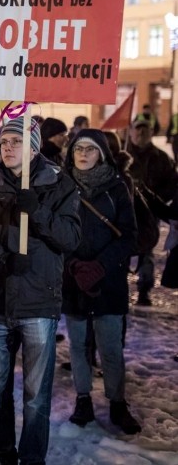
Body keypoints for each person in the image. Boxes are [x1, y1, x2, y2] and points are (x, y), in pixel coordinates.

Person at [0, 117, 81, 465]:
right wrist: (1, 258)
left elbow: (71, 238)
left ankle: (32, 459)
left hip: (38, 303)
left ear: (33, 146)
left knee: (35, 396)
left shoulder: (60, 185)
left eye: (16, 142)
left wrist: (40, 212)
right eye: (4, 142)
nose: (8, 148)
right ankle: (1, 456)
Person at [62, 130, 142, 435]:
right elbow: (55, 231)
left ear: (102, 154)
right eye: (78, 148)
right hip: (73, 279)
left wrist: (99, 265)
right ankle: (83, 399)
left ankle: (117, 402)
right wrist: (73, 265)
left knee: (110, 346)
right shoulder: (61, 186)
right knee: (79, 345)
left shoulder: (117, 188)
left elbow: (129, 236)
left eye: (90, 149)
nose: (83, 154)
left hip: (108, 280)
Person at [127, 117, 178, 305]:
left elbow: (173, 183)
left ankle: (144, 289)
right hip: (126, 212)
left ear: (151, 133)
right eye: (138, 130)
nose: (141, 134)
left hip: (150, 213)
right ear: (131, 131)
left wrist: (156, 199)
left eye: (145, 130)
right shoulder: (124, 155)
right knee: (121, 250)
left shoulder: (161, 158)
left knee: (147, 250)